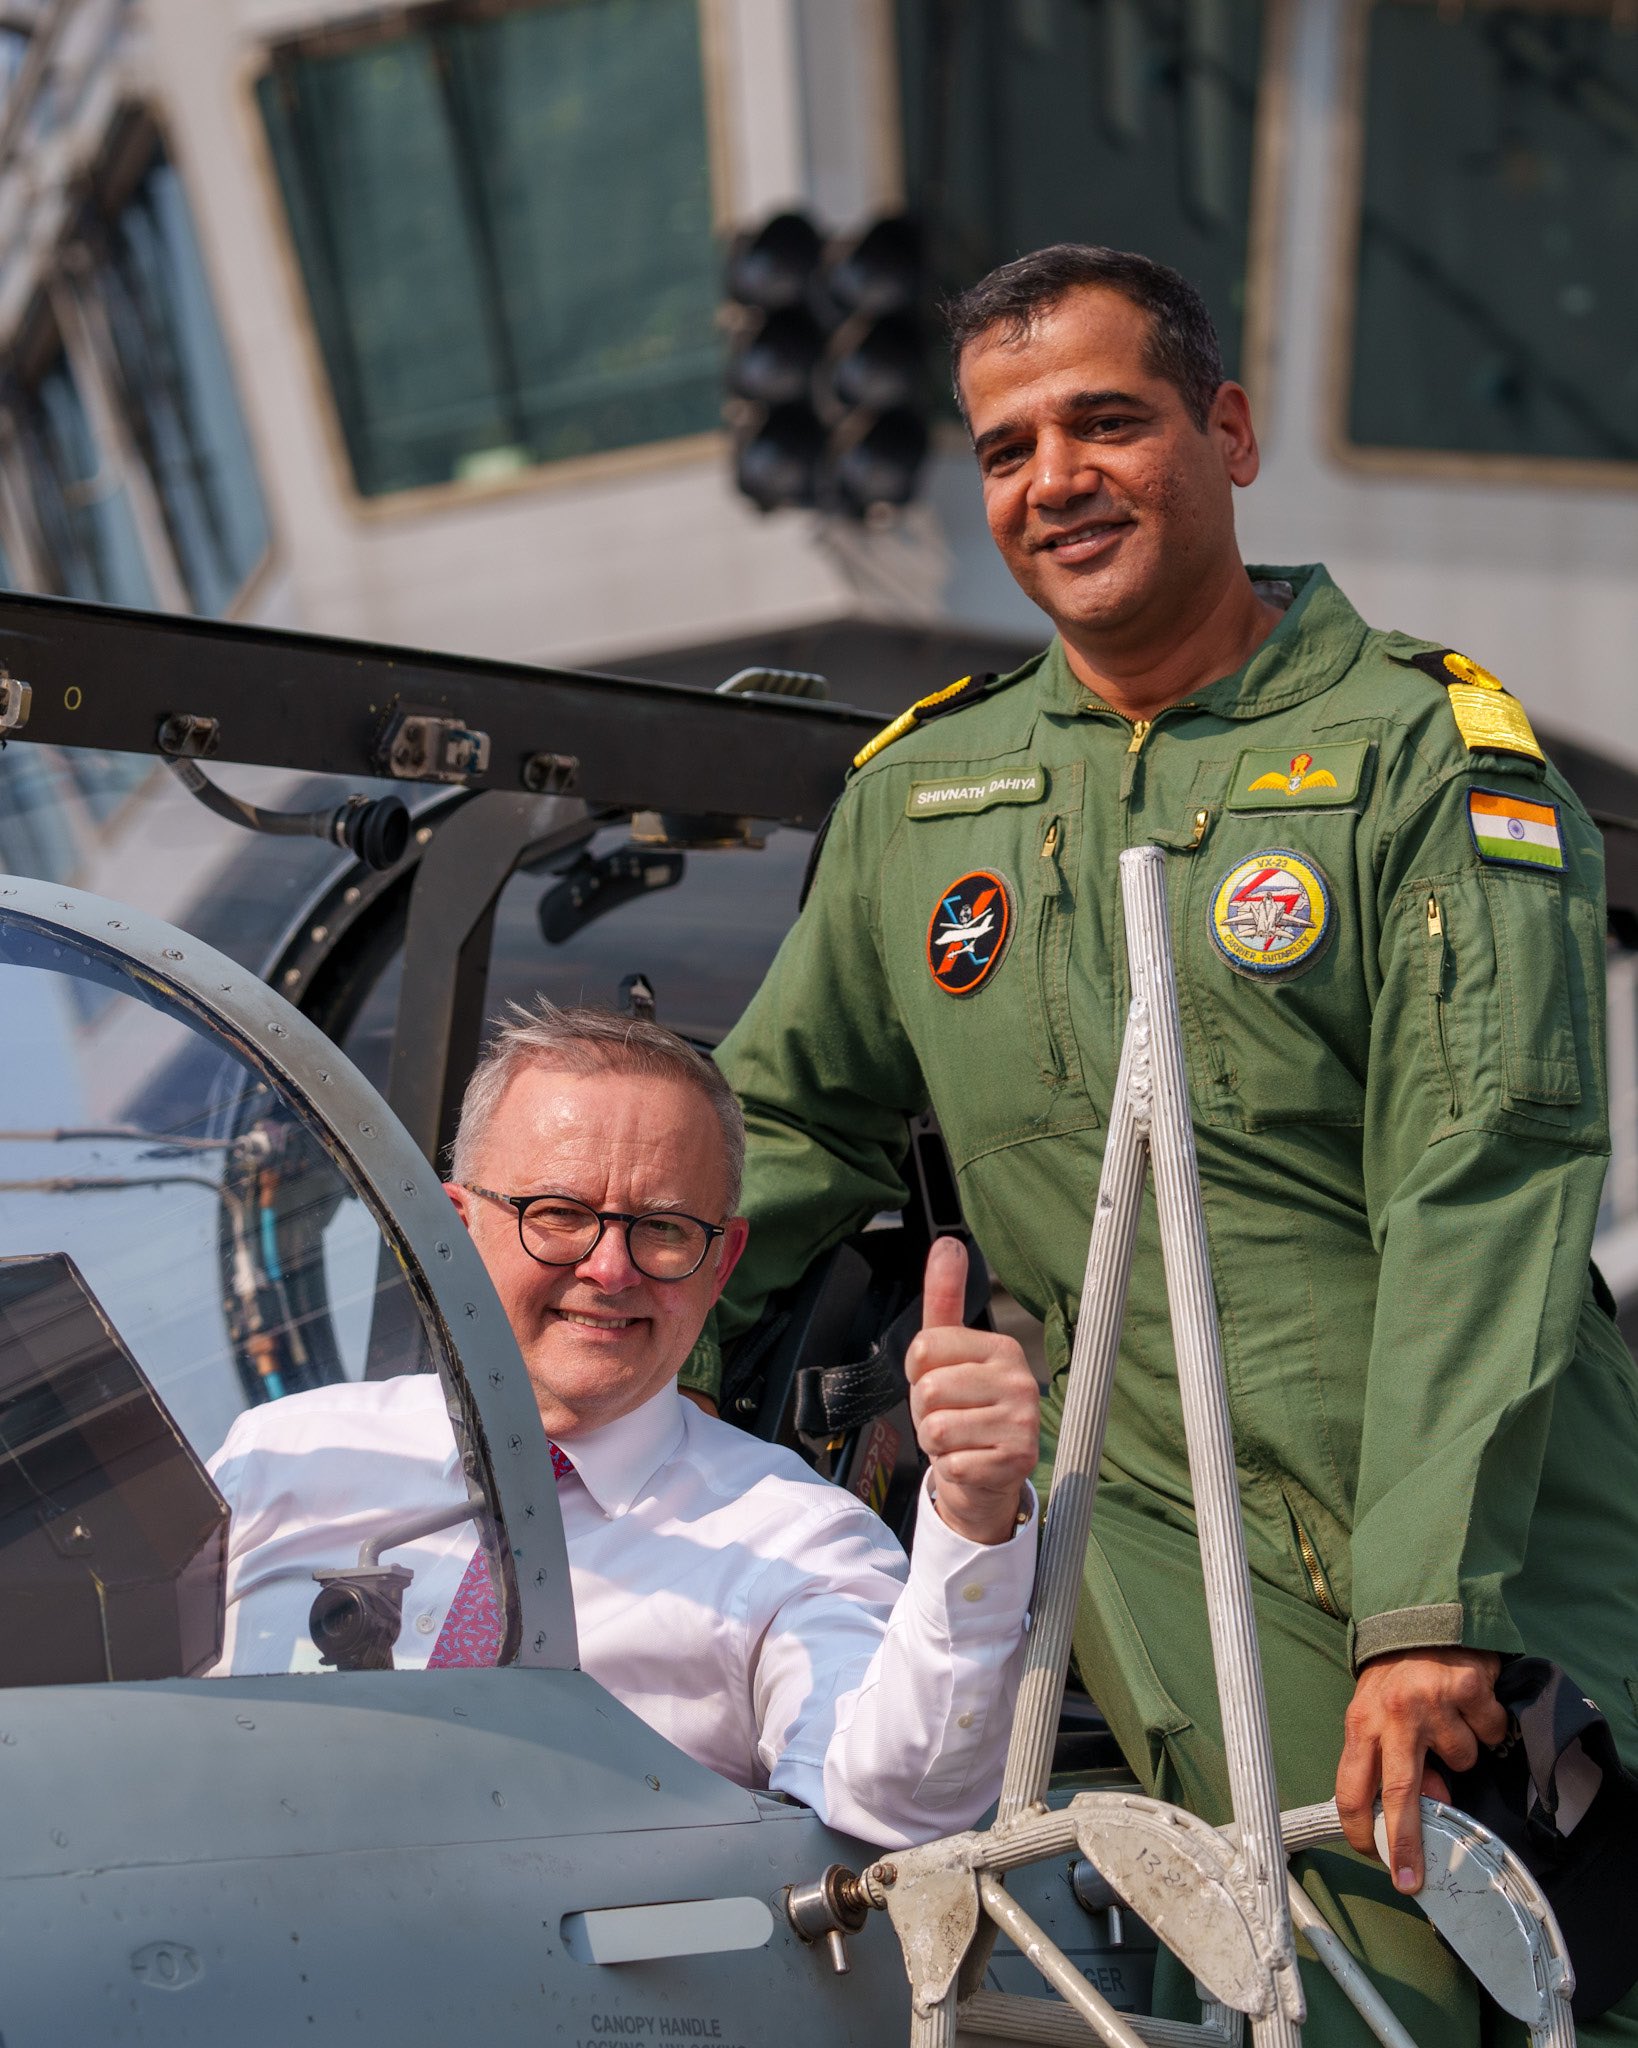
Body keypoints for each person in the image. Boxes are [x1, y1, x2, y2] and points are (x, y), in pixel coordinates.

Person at [690, 244, 1638, 2039]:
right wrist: (556, 1371)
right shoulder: (920, 798)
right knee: (1346, 2002)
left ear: (1229, 435)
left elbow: (1486, 1180)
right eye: (1005, 447)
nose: (1052, 479)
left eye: (1105, 423)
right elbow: (778, 1134)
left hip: (1490, 1512)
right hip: (1166, 1537)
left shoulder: (1421, 752)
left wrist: (1425, 1604)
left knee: (1583, 1986)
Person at [208, 1003, 1041, 1850]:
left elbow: (895, 1797)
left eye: (664, 1230)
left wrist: (974, 1518)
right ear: (457, 1231)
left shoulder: (791, 1541)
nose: (610, 1269)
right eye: (558, 1213)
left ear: (722, 1263)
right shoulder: (278, 1460)